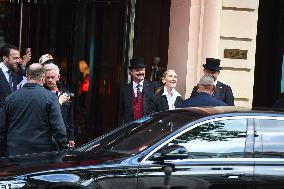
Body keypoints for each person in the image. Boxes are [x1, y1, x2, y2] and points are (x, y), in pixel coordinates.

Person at [0, 63, 67, 157]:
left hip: (14, 154)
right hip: (40, 155)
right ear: (43, 78)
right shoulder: (50, 97)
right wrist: (64, 150)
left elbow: (2, 130)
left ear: (27, 76)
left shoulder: (11, 98)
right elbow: (59, 129)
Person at [119, 57, 159, 125]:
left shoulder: (153, 86)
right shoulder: (125, 89)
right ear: (131, 72)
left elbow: (158, 108)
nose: (141, 72)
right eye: (137, 70)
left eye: (142, 70)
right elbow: (121, 112)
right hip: (130, 128)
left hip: (148, 127)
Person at [44, 63, 75, 148]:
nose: (50, 80)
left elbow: (70, 118)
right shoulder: (42, 93)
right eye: (48, 77)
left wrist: (71, 137)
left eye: (52, 77)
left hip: (62, 136)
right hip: (47, 136)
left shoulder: (65, 93)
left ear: (58, 77)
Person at [0, 44, 21, 114]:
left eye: (18, 58)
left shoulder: (14, 73)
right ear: (5, 58)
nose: (18, 61)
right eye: (15, 58)